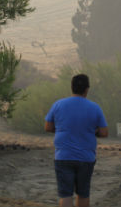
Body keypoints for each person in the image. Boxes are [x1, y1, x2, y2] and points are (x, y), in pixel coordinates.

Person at [45, 74, 109, 207]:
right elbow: (104, 132)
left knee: (66, 195)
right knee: (83, 193)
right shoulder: (95, 107)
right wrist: (92, 131)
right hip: (86, 157)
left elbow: (48, 127)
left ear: (72, 87)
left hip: (63, 156)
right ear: (87, 89)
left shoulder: (58, 104)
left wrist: (63, 129)